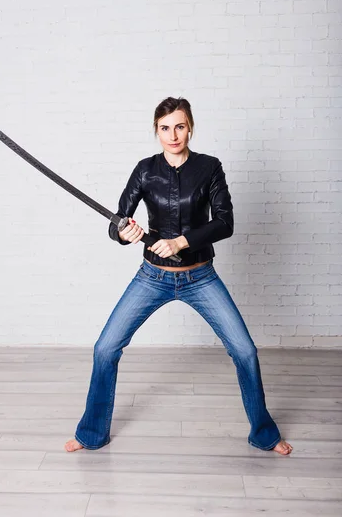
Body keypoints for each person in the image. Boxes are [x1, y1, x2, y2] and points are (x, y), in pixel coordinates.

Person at [65, 97, 293, 456]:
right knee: (105, 348)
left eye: (180, 126)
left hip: (200, 277)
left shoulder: (209, 168)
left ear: (191, 128)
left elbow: (225, 222)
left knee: (245, 351)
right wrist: (122, 234)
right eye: (165, 128)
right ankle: (91, 433)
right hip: (152, 277)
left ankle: (264, 434)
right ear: (156, 131)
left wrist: (181, 242)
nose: (173, 135)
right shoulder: (144, 170)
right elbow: (118, 221)